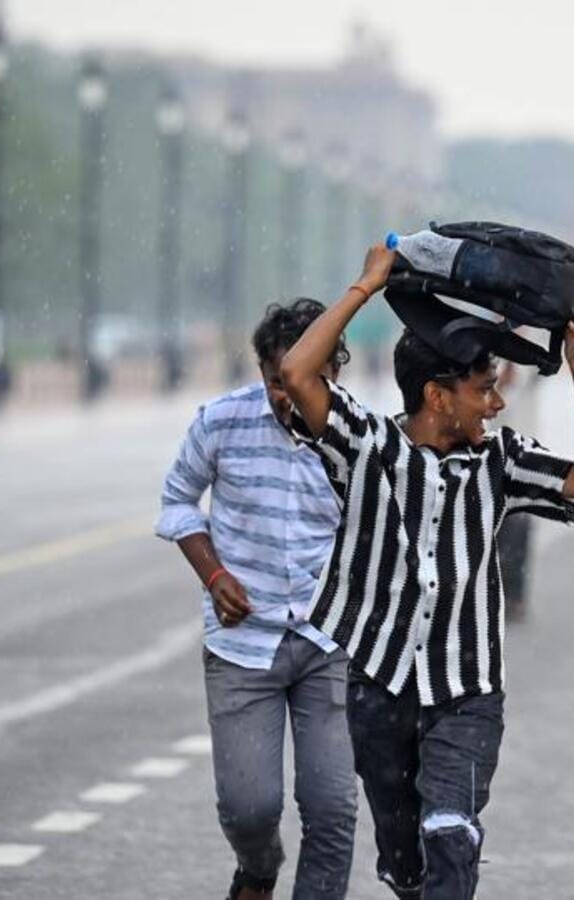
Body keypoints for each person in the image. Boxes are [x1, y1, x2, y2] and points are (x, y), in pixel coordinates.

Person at [279, 245, 574, 899]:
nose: (494, 405)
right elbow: (296, 373)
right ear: (437, 395)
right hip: (381, 693)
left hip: (466, 694)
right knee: (409, 869)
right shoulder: (367, 447)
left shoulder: (502, 461)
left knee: (451, 835)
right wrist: (365, 286)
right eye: (482, 389)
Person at [156, 299, 358, 900]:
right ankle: (259, 869)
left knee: (332, 809)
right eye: (278, 382)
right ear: (264, 373)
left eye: (307, 379)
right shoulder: (220, 422)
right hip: (243, 649)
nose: (289, 396)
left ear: (334, 371)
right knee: (250, 808)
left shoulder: (360, 437)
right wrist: (213, 574)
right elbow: (176, 502)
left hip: (329, 646)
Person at [493, 360, 542, 623]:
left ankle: (516, 598)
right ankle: (498, 598)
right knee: (496, 537)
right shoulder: (487, 366)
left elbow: (532, 372)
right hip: (492, 463)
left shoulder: (529, 363)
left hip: (523, 463)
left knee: (519, 534)